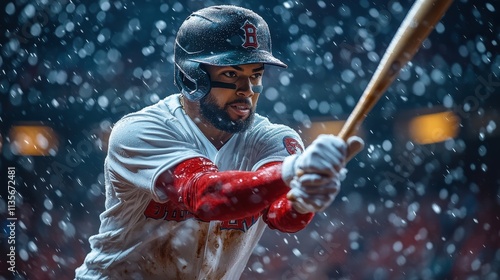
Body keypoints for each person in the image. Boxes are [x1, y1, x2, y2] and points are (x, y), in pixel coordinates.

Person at [75, 5, 364, 279]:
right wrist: (292, 172)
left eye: (256, 74)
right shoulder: (140, 131)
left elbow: (281, 217)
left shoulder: (274, 139)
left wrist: (303, 200)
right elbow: (208, 197)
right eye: (231, 73)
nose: (247, 90)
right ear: (191, 77)